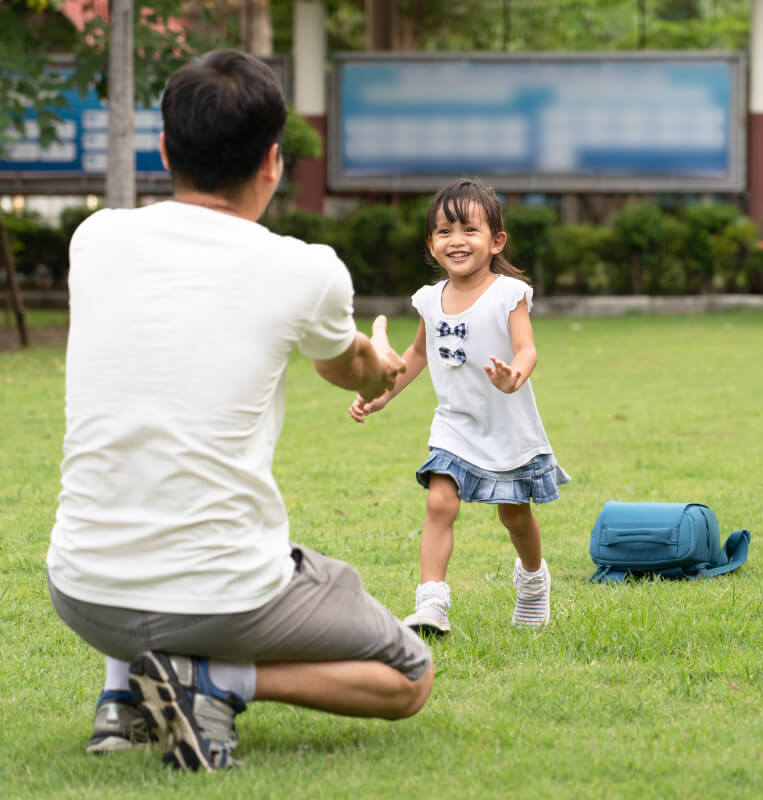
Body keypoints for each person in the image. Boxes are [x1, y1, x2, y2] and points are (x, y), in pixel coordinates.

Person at [46, 49, 433, 773]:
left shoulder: (94, 240)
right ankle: (216, 680)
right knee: (408, 675)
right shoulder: (306, 269)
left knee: (146, 460)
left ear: (164, 147)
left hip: (83, 590)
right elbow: (344, 366)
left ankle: (121, 695)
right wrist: (379, 368)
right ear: (274, 161)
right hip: (224, 597)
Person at [349, 178, 570, 636]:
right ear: (431, 245)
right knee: (439, 501)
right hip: (454, 424)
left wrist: (514, 375)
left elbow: (527, 349)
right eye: (445, 231)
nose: (457, 240)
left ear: (496, 241)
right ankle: (432, 603)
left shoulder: (508, 293)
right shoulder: (430, 300)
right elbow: (416, 356)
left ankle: (532, 580)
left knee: (514, 515)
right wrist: (382, 393)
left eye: (470, 229)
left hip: (507, 425)